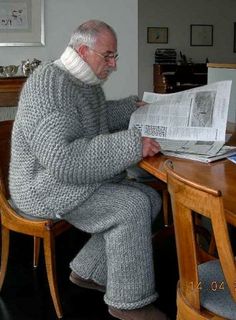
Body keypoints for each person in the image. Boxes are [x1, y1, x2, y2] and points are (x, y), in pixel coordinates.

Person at [9, 19, 168, 320]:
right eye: (108, 56)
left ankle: (89, 272)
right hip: (41, 186)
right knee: (131, 205)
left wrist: (131, 109)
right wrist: (133, 145)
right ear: (83, 51)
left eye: (114, 56)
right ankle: (128, 303)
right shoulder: (50, 84)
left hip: (60, 178)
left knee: (151, 198)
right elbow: (63, 158)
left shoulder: (83, 83)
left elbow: (89, 118)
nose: (114, 64)